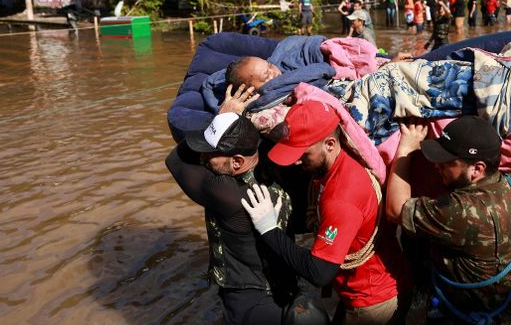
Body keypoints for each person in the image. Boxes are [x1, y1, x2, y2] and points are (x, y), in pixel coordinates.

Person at [241, 101, 409, 324]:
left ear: (330, 144)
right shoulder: (339, 160)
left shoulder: (341, 199)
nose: (296, 161)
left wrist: (269, 230)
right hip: (370, 283)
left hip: (374, 299)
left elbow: (319, 273)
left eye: (302, 153)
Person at [165, 85, 311, 325]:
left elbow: (175, 160)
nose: (202, 158)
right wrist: (232, 123)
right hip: (285, 286)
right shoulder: (274, 165)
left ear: (237, 161)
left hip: (250, 298)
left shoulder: (225, 193)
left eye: (209, 153)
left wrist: (223, 116)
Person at [385, 117, 511, 324]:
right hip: (509, 310)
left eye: (447, 162)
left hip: (473, 316)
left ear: (477, 169)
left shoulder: (463, 212)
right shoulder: (504, 184)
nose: (436, 165)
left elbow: (395, 209)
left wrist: (405, 150)